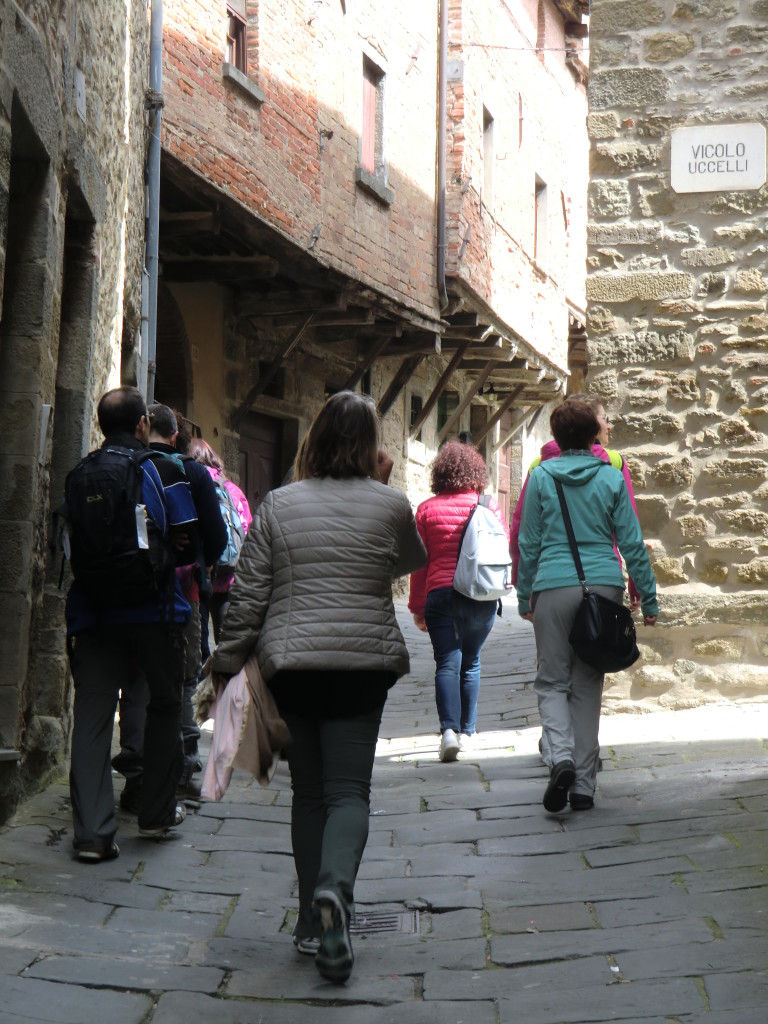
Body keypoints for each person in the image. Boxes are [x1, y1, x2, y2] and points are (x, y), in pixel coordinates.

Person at [210, 391, 426, 984]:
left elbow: (249, 596)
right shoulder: (390, 505)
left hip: (294, 669)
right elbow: (406, 561)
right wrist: (382, 489)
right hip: (363, 666)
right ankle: (336, 892)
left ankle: (310, 922)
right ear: (372, 446)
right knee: (349, 792)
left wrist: (226, 662)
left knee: (308, 794)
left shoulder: (277, 506)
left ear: (315, 437)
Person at [65, 387, 190, 861]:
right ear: (143, 425)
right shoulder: (162, 469)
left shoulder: (80, 474)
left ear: (101, 427)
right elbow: (185, 538)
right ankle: (155, 813)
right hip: (152, 612)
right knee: (162, 704)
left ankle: (93, 835)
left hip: (93, 612)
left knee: (93, 719)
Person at [516, 400, 658, 813]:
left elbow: (529, 543)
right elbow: (631, 541)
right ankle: (584, 785)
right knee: (587, 682)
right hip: (603, 588)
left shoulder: (541, 477)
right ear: (594, 435)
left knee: (551, 681)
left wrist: (526, 595)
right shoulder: (611, 478)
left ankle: (559, 756)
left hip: (554, 586)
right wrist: (647, 596)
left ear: (556, 438)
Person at [114, 406, 228, 810]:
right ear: (176, 435)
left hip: (130, 590)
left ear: (146, 429)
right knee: (181, 680)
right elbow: (216, 537)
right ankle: (181, 769)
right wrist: (200, 559)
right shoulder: (191, 472)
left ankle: (135, 776)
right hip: (182, 590)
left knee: (135, 684)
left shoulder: (130, 466)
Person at [408, 440, 509, 763]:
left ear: (439, 473)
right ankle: (468, 732)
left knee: (446, 662)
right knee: (472, 660)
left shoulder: (426, 510)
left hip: (439, 594)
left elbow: (419, 564)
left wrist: (416, 606)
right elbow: (500, 548)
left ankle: (448, 732)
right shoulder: (488, 505)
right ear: (476, 472)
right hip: (479, 594)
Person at [510, 392, 641, 609]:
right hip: (604, 578)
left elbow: (520, 531)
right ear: (591, 424)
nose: (609, 426)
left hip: (550, 579)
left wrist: (522, 583)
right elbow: (629, 531)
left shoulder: (539, 466)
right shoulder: (614, 464)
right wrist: (637, 585)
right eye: (604, 419)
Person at [187, 437, 252, 645]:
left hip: (197, 576)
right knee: (227, 644)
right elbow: (247, 527)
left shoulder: (190, 483)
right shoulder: (232, 489)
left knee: (198, 645)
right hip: (230, 574)